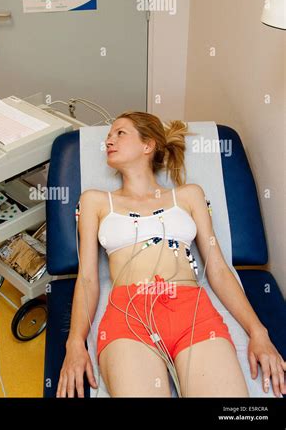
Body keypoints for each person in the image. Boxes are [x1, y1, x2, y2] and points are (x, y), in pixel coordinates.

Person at [56, 111, 286, 397]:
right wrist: (75, 343)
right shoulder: (95, 201)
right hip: (128, 315)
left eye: (120, 133)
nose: (109, 141)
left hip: (192, 311)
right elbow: (88, 279)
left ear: (147, 145)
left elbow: (217, 268)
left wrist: (258, 332)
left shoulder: (189, 196)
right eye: (108, 136)